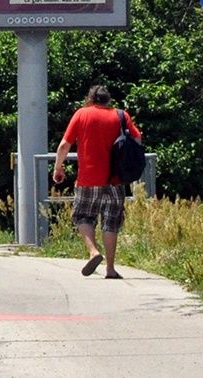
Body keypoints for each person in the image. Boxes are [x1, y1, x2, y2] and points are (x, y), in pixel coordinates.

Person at [53, 85, 142, 279]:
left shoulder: (82, 114)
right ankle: (110, 269)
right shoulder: (120, 115)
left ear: (90, 98)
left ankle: (93, 252)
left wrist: (58, 168)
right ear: (108, 100)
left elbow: (64, 145)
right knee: (111, 222)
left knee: (83, 216)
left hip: (89, 178)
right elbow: (137, 139)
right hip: (116, 178)